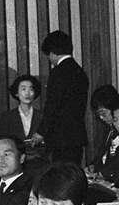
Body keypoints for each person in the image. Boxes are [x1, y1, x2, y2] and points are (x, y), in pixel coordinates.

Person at [29, 31, 88, 165]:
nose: (49, 59)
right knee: (72, 173)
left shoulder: (58, 72)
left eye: (48, 55)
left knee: (60, 174)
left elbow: (52, 106)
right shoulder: (80, 72)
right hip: (76, 137)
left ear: (53, 53)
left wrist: (41, 132)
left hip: (60, 139)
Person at [0, 74, 43, 164]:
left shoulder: (42, 116)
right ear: (17, 93)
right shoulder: (7, 117)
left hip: (40, 161)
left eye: (31, 89)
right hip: (15, 161)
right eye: (23, 89)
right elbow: (4, 142)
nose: (27, 93)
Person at [87, 85, 119, 184]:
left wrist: (102, 174)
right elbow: (102, 154)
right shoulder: (109, 130)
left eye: (103, 113)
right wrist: (93, 166)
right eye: (99, 115)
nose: (101, 118)